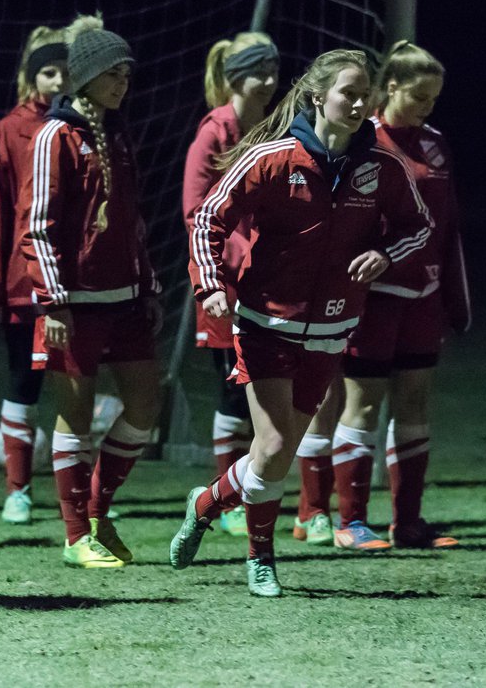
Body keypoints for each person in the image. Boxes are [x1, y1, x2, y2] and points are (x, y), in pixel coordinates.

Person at [171, 48, 433, 597]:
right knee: (269, 448)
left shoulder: (382, 166)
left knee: (279, 454)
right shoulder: (272, 158)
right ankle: (261, 560)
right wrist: (211, 284)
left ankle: (205, 502)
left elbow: (419, 226)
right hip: (265, 322)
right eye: (348, 93)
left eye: (367, 95)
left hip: (333, 330)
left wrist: (384, 256)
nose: (360, 104)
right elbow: (207, 221)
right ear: (318, 96)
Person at [295, 41, 471, 551]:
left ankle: (408, 522)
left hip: (424, 294)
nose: (427, 107)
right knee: (361, 404)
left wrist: (457, 298)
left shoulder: (436, 145)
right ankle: (348, 520)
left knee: (415, 403)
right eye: (419, 96)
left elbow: (448, 225)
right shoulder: (364, 143)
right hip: (369, 298)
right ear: (388, 89)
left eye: (435, 98)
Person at [21, 15, 162, 569]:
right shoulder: (55, 135)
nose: (121, 83)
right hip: (73, 304)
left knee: (146, 403)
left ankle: (100, 509)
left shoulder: (119, 136)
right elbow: (37, 225)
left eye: (127, 74)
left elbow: (133, 222)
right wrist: (53, 301)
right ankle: (76, 532)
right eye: (112, 73)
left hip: (125, 298)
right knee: (75, 418)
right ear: (85, 76)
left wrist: (147, 283)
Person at [180, 32, 279, 540]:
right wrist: (227, 265)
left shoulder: (272, 128)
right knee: (234, 391)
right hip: (224, 285)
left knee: (259, 394)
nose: (270, 81)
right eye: (261, 72)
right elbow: (197, 212)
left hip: (266, 282)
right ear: (238, 78)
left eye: (273, 71)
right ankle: (228, 499)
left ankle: (240, 494)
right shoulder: (213, 132)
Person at [0, 24, 68, 524]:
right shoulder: (8, 131)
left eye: (65, 73)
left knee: (78, 382)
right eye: (48, 72)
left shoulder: (84, 129)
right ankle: (18, 490)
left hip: (77, 284)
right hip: (24, 284)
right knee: (24, 380)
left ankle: (82, 493)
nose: (58, 82)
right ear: (32, 77)